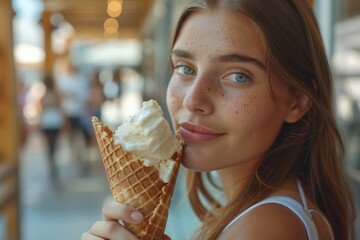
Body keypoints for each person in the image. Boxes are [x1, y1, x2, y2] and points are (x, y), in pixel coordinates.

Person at [81, 0, 356, 239]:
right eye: (185, 68)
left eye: (238, 75)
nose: (193, 99)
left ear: (297, 100)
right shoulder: (283, 208)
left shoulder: (262, 229)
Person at [39, 74, 64, 183]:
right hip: (54, 121)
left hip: (47, 122)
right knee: (53, 145)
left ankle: (52, 164)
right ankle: (53, 165)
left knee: (50, 146)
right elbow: (59, 108)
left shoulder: (43, 96)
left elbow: (42, 109)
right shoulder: (55, 95)